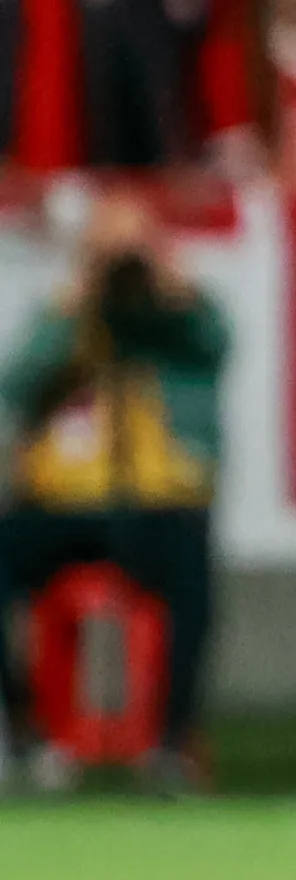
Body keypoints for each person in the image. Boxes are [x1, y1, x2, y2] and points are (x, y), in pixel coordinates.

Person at [0, 190, 228, 795]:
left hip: (157, 505)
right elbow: (13, 386)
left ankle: (172, 738)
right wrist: (75, 300)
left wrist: (171, 286)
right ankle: (23, 728)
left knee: (192, 582)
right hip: (67, 504)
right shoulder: (70, 325)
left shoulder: (178, 328)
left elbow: (217, 343)